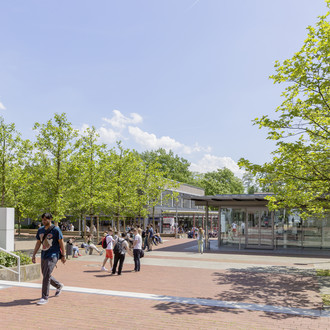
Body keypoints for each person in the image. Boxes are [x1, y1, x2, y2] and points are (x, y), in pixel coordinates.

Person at [32, 213, 66, 305]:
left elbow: (61, 242)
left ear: (50, 219)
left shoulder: (56, 229)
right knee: (45, 274)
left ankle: (44, 297)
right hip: (44, 254)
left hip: (53, 255)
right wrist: (34, 254)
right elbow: (38, 243)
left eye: (46, 219)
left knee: (46, 275)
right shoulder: (40, 230)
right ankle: (58, 285)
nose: (44, 221)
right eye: (43, 219)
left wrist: (63, 255)